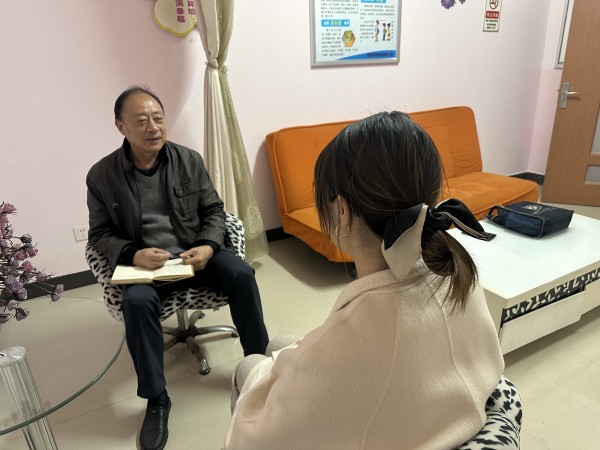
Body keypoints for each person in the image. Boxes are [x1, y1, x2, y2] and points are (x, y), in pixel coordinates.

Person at [224, 111, 505, 449]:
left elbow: (260, 438)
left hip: (410, 425)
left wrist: (259, 379)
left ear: (342, 211)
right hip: (441, 407)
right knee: (279, 344)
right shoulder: (455, 268)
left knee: (250, 365)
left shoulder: (358, 336)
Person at [86, 85, 269, 450]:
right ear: (121, 127)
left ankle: (261, 370)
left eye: (158, 118)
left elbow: (214, 210)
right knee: (136, 302)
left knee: (242, 275)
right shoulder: (102, 175)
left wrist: (207, 245)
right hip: (147, 264)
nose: (153, 127)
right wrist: (133, 254)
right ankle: (156, 399)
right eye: (141, 120)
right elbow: (100, 234)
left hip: (194, 253)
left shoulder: (188, 160)